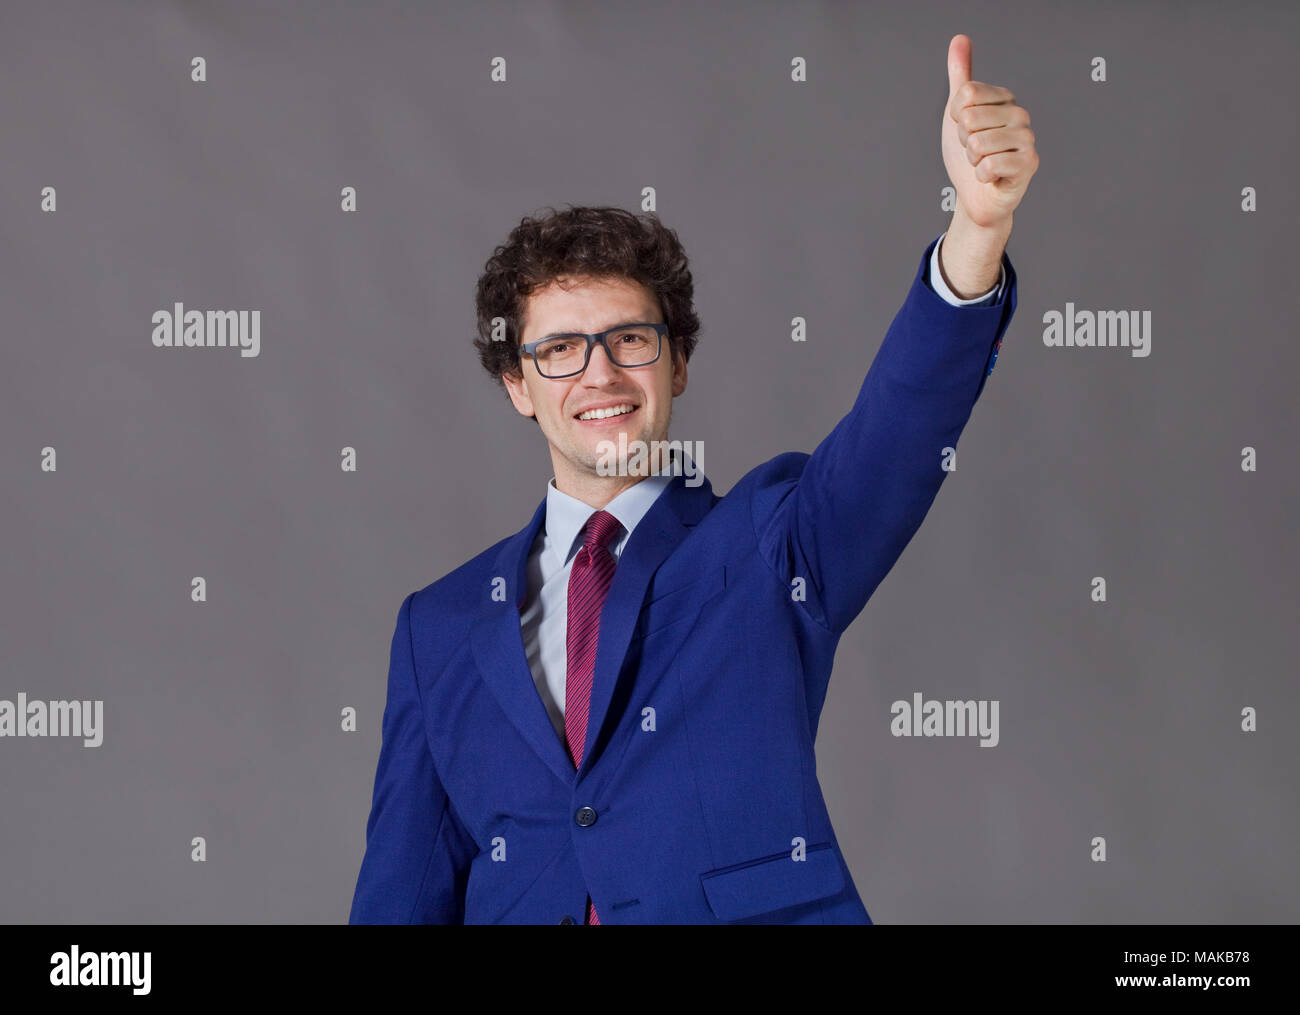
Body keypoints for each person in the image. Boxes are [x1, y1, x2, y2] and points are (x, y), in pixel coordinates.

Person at [349, 34, 1038, 924]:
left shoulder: (766, 544)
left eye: (630, 340)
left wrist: (975, 234)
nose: (599, 375)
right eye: (560, 349)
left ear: (676, 365)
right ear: (518, 384)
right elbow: (401, 894)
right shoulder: (434, 629)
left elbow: (896, 439)